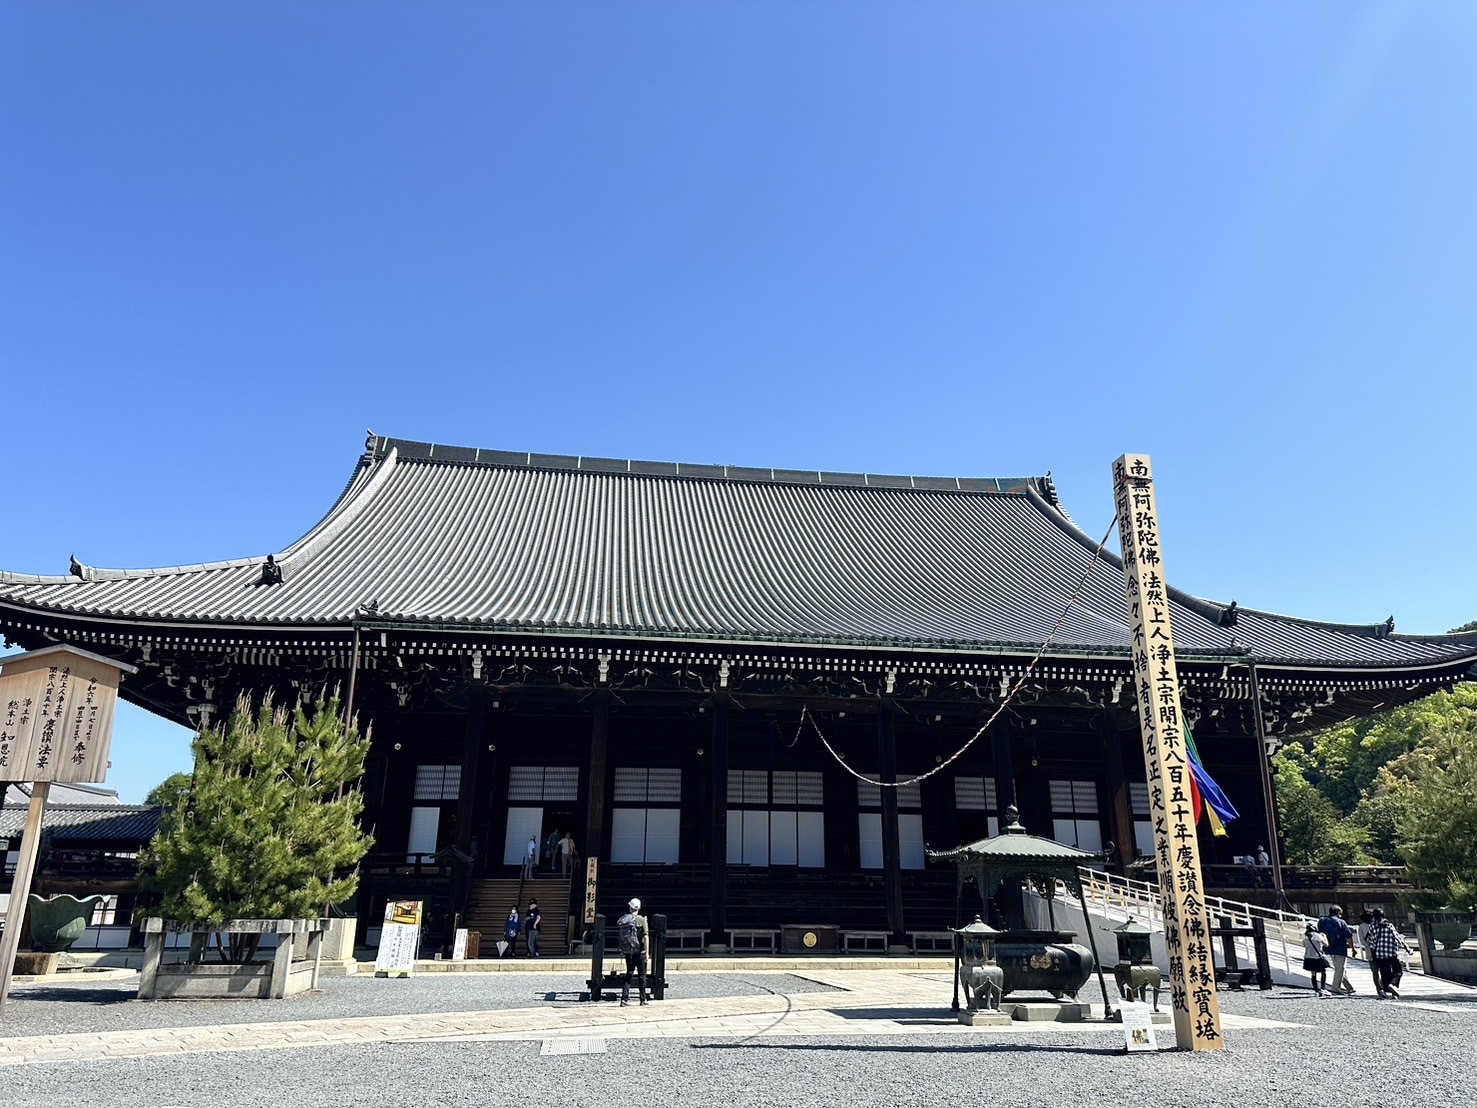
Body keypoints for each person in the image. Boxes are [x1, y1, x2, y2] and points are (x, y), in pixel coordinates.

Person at [1366, 908, 1412, 998]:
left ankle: (1386, 991)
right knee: (1398, 971)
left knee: (1385, 973)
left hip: (1379, 954)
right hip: (1391, 952)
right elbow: (1398, 937)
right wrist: (1407, 948)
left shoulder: (1372, 926)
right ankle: (1393, 984)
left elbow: (1371, 941)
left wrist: (1373, 951)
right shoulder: (1389, 925)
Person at [617, 897, 650, 1007]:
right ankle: (642, 999)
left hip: (629, 951)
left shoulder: (625, 919)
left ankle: (624, 999)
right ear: (639, 908)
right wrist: (647, 952)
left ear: (630, 907)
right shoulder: (642, 920)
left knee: (629, 974)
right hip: (640, 951)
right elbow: (646, 937)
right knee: (642, 976)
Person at [1317, 905, 1357, 995]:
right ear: (1339, 913)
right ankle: (1335, 988)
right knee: (1340, 969)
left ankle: (1349, 988)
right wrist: (1353, 948)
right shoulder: (1341, 922)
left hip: (1328, 947)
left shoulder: (1322, 920)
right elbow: (1348, 936)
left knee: (1340, 968)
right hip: (1340, 948)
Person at [1302, 922, 1330, 996]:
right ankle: (1323, 988)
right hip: (1317, 956)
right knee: (1323, 972)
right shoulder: (1317, 935)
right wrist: (1325, 937)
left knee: (1313, 973)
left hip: (1308, 956)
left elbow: (1304, 945)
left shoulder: (1304, 935)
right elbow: (1326, 944)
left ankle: (1316, 990)